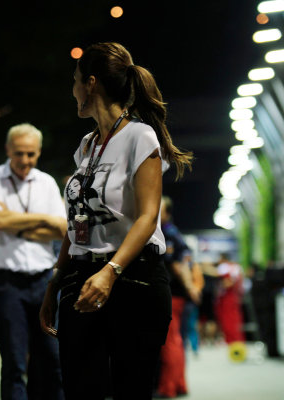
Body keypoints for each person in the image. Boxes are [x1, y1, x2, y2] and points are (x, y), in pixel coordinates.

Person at [39, 42, 193, 400]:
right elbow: (75, 221)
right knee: (79, 390)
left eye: (75, 80)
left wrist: (111, 272)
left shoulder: (139, 136)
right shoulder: (87, 146)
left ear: (91, 83)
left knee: (131, 390)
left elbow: (147, 216)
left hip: (133, 279)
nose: (72, 89)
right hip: (80, 278)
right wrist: (54, 283)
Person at [0, 122, 67, 400]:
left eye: (31, 154)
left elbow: (62, 229)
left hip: (43, 280)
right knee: (14, 363)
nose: (25, 160)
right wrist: (45, 219)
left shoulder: (46, 182)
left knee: (52, 360)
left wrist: (14, 222)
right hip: (7, 282)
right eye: (19, 153)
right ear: (8, 150)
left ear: (38, 152)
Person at [155, 196, 200, 398]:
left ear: (168, 213)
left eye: (160, 209)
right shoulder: (175, 233)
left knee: (170, 341)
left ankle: (169, 387)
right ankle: (179, 383)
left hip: (174, 294)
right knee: (177, 340)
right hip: (179, 295)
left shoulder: (168, 233)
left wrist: (191, 288)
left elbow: (178, 265)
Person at [214, 253, 245, 344]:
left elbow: (228, 282)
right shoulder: (237, 267)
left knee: (228, 320)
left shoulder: (224, 267)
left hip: (227, 297)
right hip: (234, 296)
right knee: (234, 320)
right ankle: (237, 340)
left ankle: (232, 341)